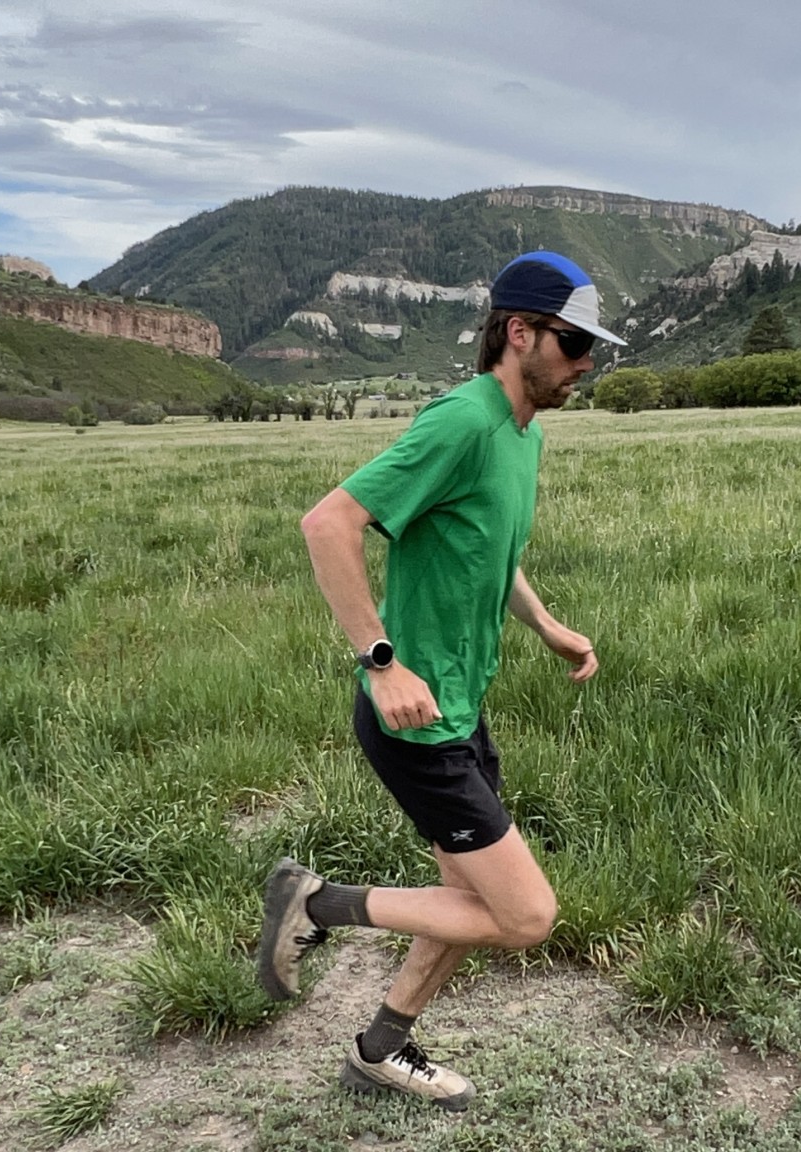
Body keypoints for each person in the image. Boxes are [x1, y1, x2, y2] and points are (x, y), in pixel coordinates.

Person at [259, 251, 623, 1111]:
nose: (585, 364)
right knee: (525, 916)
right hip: (415, 720)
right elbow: (329, 523)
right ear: (519, 333)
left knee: (467, 900)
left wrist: (545, 625)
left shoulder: (523, 432)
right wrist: (381, 662)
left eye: (594, 349)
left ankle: (381, 1049)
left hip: (459, 705)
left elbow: (489, 550)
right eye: (574, 344)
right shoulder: (465, 421)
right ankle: (317, 904)